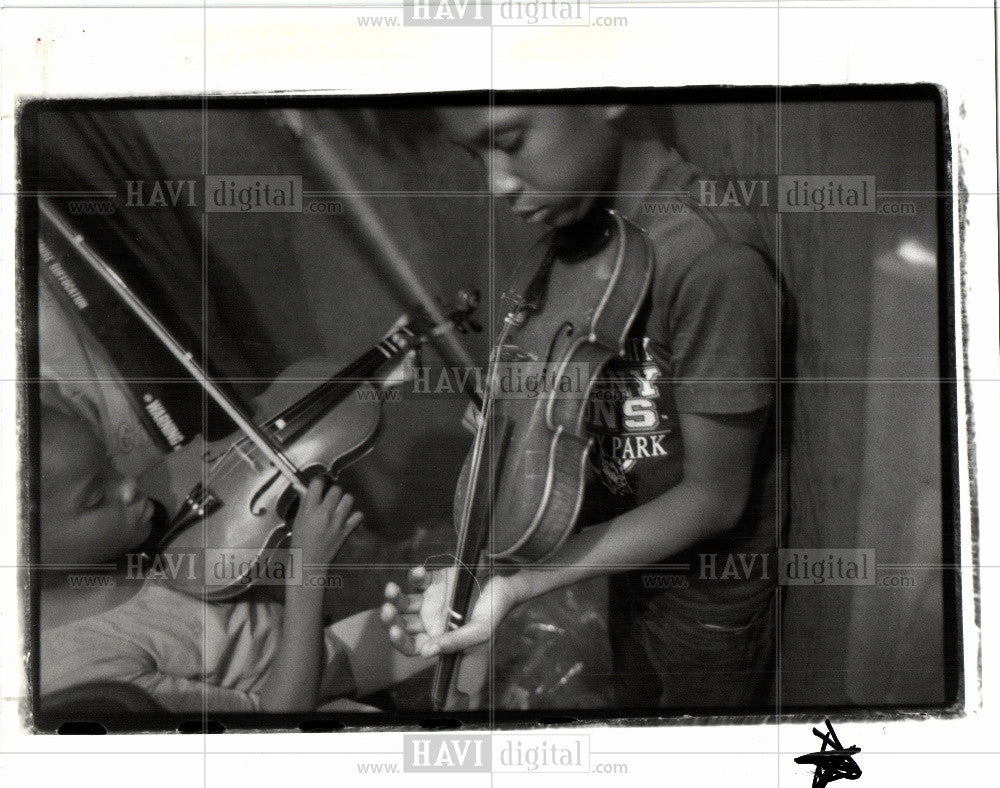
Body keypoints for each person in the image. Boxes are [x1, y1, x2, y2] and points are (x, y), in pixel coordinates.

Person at [380, 105, 789, 709]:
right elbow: (567, 418)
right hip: (624, 560)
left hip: (704, 603)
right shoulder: (578, 235)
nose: (496, 183)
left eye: (511, 142)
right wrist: (509, 417)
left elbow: (714, 500)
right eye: (476, 155)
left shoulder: (710, 261)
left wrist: (517, 585)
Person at [39, 405, 430, 713]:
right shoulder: (88, 669)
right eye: (94, 498)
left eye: (109, 465)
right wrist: (307, 569)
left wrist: (346, 393)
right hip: (312, 687)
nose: (127, 485)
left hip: (307, 626)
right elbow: (273, 720)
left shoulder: (112, 547)